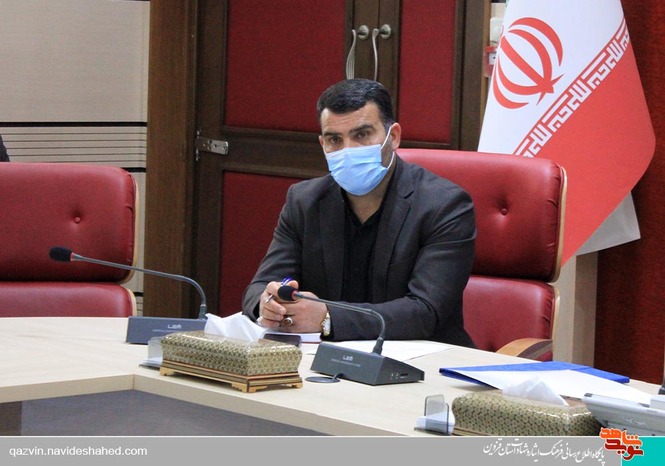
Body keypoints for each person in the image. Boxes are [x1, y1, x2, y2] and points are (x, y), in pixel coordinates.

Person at [242, 78, 476, 347]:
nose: (348, 150)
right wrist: (269, 305)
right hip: (323, 358)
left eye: (362, 135)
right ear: (322, 144)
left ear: (393, 137)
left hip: (422, 359)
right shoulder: (304, 202)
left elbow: (426, 311)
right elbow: (259, 287)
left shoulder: (444, 205)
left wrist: (328, 318)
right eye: (335, 140)